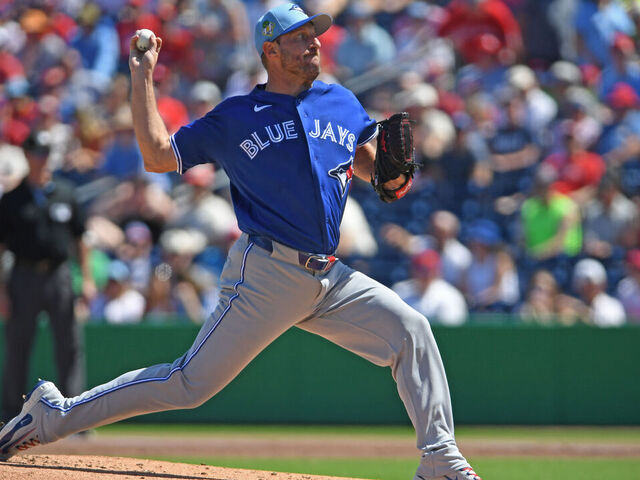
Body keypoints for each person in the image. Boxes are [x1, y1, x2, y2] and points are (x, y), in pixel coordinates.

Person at [0, 5, 482, 480]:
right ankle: (51, 415)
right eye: (300, 37)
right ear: (270, 50)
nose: (314, 42)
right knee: (187, 384)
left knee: (411, 330)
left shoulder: (340, 101)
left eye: (314, 34)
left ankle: (439, 457)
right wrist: (143, 77)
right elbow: (158, 155)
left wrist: (387, 174)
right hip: (267, 272)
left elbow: (365, 164)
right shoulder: (237, 116)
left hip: (330, 276)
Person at [0, 130, 94, 421]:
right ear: (27, 156)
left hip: (59, 274)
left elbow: (80, 239)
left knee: (69, 345)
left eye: (45, 153)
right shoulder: (13, 199)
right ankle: (11, 415)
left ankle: (73, 415)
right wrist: (1, 291)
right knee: (18, 345)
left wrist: (87, 279)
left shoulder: (65, 193)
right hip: (23, 274)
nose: (41, 159)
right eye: (36, 153)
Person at [392, 249, 468, 327]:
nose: (426, 275)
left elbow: (451, 331)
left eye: (430, 270)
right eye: (421, 270)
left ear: (437, 272)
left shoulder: (450, 296)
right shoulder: (400, 291)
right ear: (413, 270)